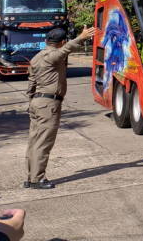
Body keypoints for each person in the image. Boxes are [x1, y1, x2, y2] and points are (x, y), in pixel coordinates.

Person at [24, 26, 95, 189]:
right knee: (43, 142)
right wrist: (81, 37)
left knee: (34, 141)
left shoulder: (36, 57)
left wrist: (31, 103)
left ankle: (30, 177)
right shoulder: (53, 56)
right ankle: (37, 179)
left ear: (46, 41)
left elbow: (31, 84)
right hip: (48, 105)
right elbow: (66, 49)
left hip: (36, 102)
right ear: (62, 42)